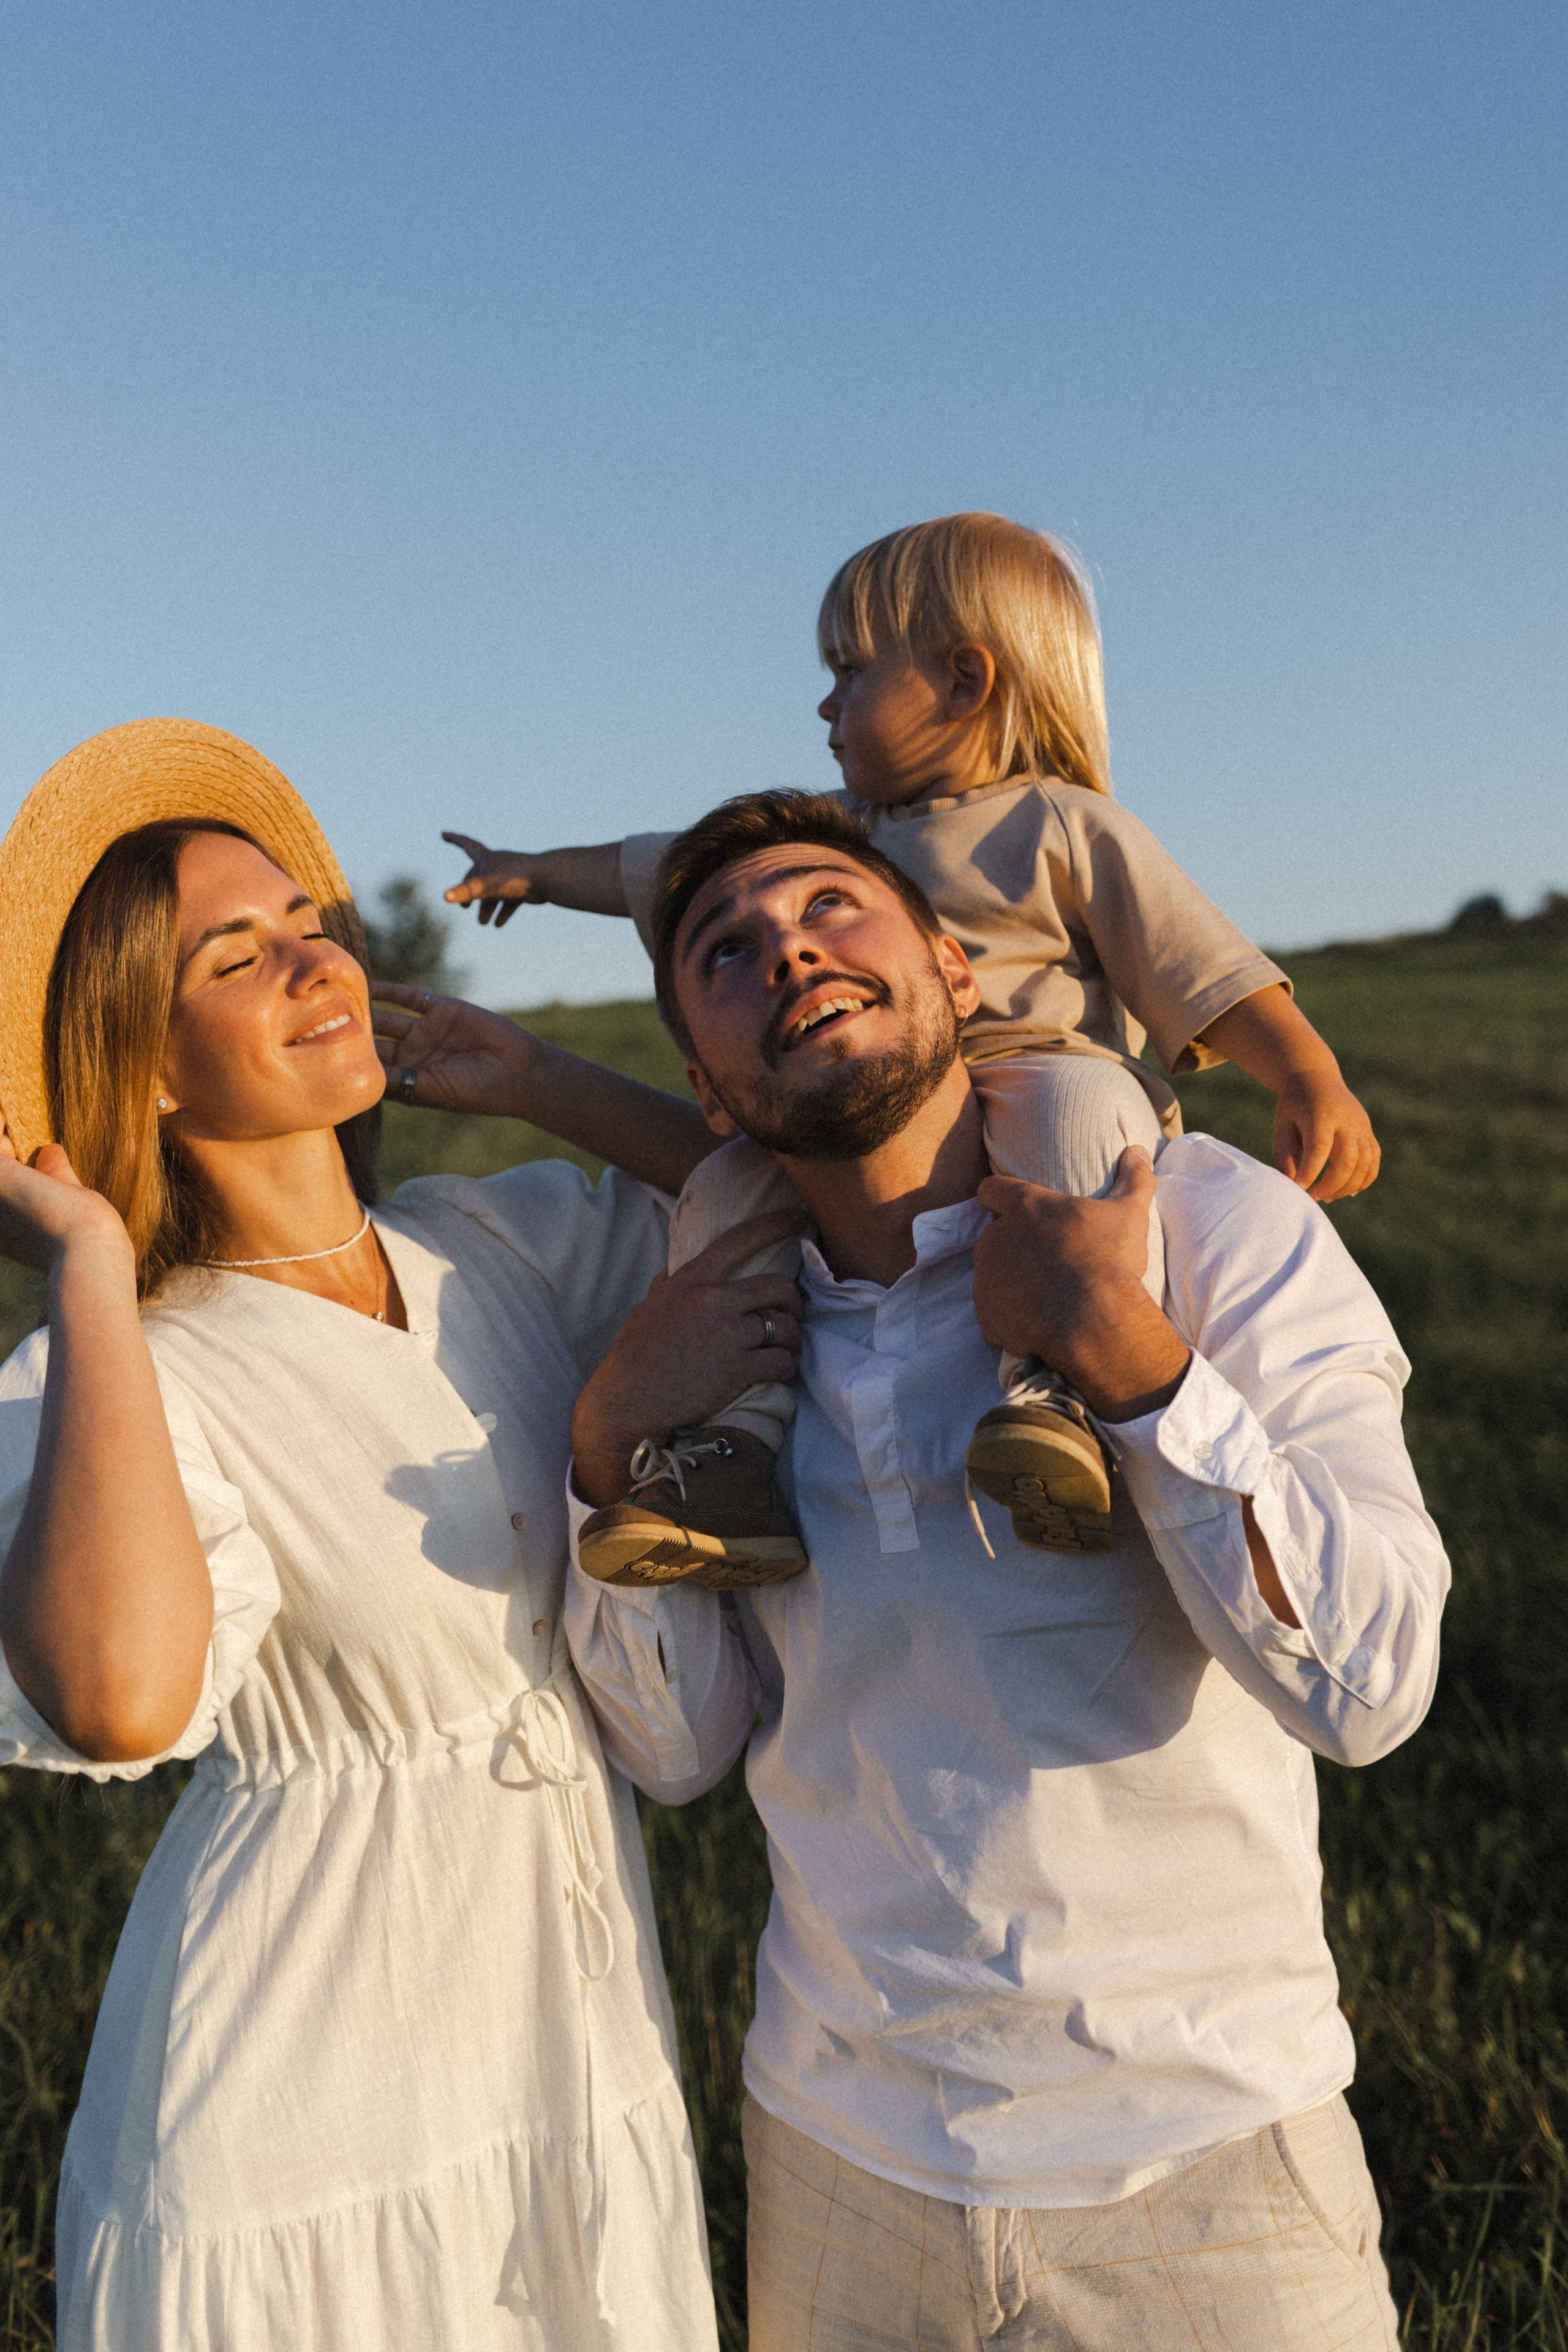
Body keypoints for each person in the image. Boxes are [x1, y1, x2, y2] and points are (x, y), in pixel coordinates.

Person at [541, 788, 1447, 2348]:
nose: (789, 954)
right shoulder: (723, 1322)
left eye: (831, 907)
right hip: (837, 2162)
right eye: (726, 951)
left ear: (956, 969)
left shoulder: (1207, 1227)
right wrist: (614, 1433)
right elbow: (675, 1750)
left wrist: (1135, 1363)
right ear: (703, 1082)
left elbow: (1371, 1686)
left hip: (1205, 2156)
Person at [0, 718, 753, 2351]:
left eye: (310, 927)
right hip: (299, 2142)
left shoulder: (500, 1241)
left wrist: (541, 1076)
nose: (314, 964)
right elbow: (119, 1698)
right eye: (239, 955)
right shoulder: (111, 1369)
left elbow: (790, 1205)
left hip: (570, 2052)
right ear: (139, 1059)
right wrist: (80, 1260)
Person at [439, 512, 1381, 1583]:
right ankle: (727, 1454)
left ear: (965, 683)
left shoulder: (1058, 823)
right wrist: (530, 872)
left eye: (849, 671)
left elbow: (1199, 965)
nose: (826, 706)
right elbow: (652, 869)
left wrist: (1308, 1073)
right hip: (867, 1117)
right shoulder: (832, 830)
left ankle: (1061, 1400)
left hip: (1043, 1067)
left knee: (1081, 1127)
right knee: (723, 1202)